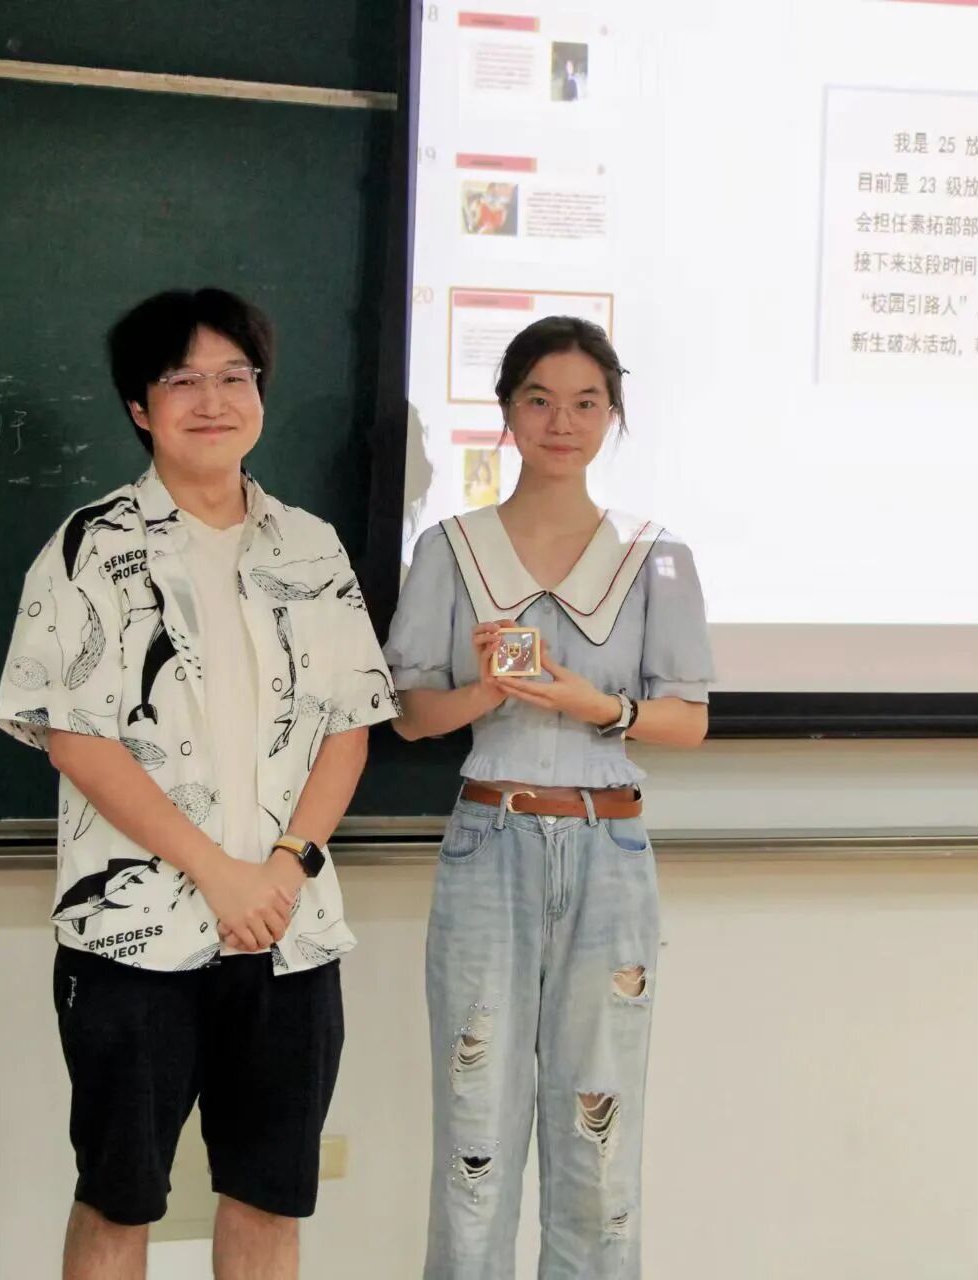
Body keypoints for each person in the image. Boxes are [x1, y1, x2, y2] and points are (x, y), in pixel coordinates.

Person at [0, 287, 396, 1280]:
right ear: (141, 406)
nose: (213, 400)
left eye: (234, 376)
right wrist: (220, 874)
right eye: (183, 380)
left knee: (270, 1196)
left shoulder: (311, 544)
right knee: (119, 1196)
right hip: (134, 936)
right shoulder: (90, 545)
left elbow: (350, 725)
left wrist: (284, 868)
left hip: (289, 931)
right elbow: (77, 742)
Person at [384, 316, 713, 1277]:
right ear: (506, 410)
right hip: (489, 838)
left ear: (612, 415)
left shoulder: (655, 554)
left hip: (609, 848)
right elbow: (411, 717)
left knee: (600, 1126)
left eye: (585, 403)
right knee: (474, 1126)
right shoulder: (451, 549)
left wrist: (596, 704)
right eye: (539, 399)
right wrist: (485, 693)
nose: (562, 423)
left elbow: (688, 720)